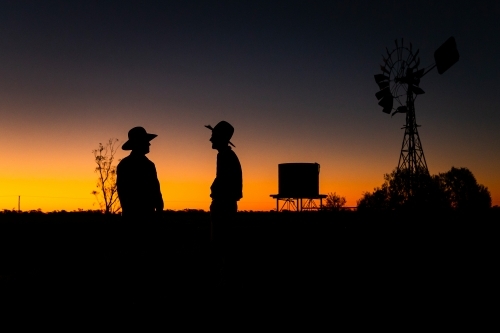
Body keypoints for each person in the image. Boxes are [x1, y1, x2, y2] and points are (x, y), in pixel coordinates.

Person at [205, 121, 243, 249]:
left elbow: (224, 182)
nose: (210, 139)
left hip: (223, 205)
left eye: (213, 136)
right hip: (225, 204)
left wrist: (217, 195)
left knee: (221, 243)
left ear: (220, 138)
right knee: (223, 243)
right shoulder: (226, 155)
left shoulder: (225, 156)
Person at [117, 126, 164, 220]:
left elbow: (155, 189)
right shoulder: (147, 165)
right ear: (139, 143)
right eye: (146, 141)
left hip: (136, 214)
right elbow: (123, 190)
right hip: (139, 215)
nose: (149, 144)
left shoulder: (126, 163)